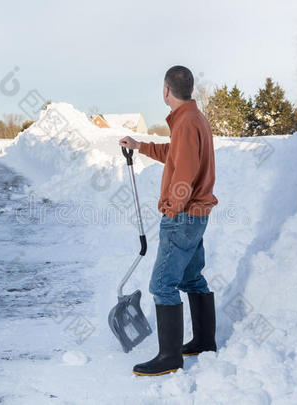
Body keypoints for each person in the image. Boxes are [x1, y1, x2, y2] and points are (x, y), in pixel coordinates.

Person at [119, 65, 218, 376]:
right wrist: (140, 147)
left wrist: (171, 208)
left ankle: (169, 357)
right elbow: (175, 155)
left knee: (162, 284)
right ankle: (203, 340)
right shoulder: (192, 119)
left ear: (166, 91)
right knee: (192, 279)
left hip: (184, 216)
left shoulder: (187, 123)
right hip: (195, 215)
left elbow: (185, 174)